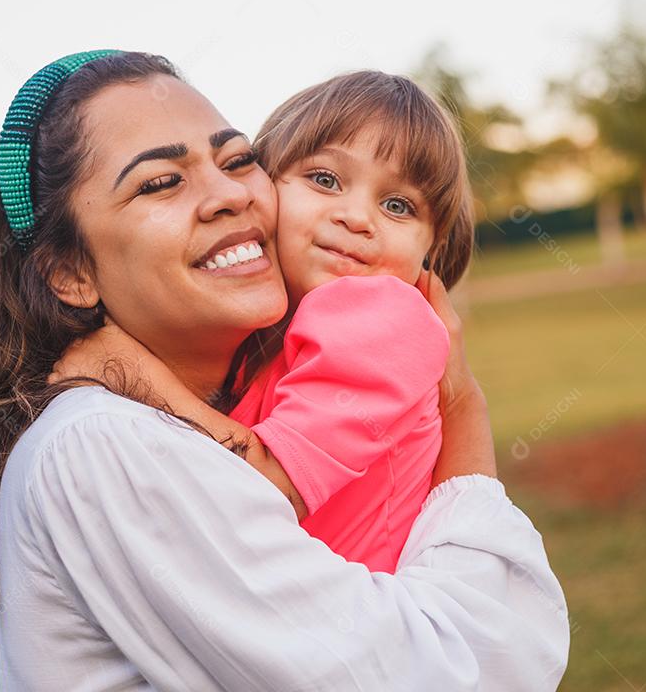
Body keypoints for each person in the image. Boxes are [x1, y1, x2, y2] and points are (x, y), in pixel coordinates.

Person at [0, 50, 570, 691]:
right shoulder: (101, 442)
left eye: (236, 161)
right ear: (70, 272)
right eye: (161, 182)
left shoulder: (205, 394)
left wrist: (460, 405)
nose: (228, 195)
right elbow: (474, 670)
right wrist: (463, 412)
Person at [56, 70, 475, 574]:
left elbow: (263, 492)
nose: (358, 217)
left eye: (398, 206)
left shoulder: (382, 316)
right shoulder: (278, 335)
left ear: (432, 249)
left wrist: (131, 371)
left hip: (352, 624)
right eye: (325, 180)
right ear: (267, 184)